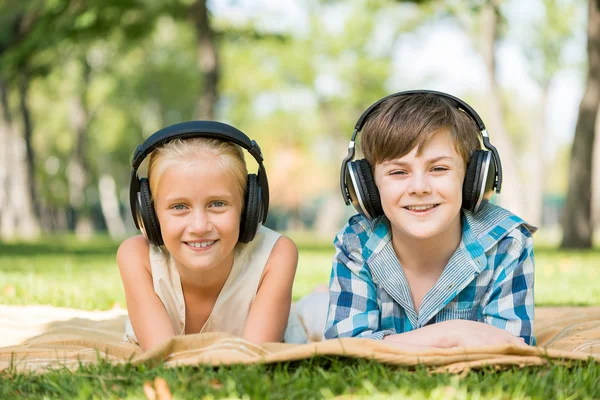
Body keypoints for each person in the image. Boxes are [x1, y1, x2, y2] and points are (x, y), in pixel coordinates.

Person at [325, 90, 536, 349]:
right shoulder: (356, 243)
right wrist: (450, 334)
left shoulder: (507, 243)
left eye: (439, 168)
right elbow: (343, 349)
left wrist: (395, 344)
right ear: (366, 187)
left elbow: (510, 348)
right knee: (309, 316)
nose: (419, 187)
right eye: (398, 171)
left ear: (473, 179)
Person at [118, 121, 305, 351]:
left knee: (315, 310)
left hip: (291, 324)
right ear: (150, 215)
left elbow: (252, 358)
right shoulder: (136, 257)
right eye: (179, 206)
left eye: (217, 204)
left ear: (248, 208)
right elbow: (165, 357)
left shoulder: (276, 254)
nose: (199, 226)